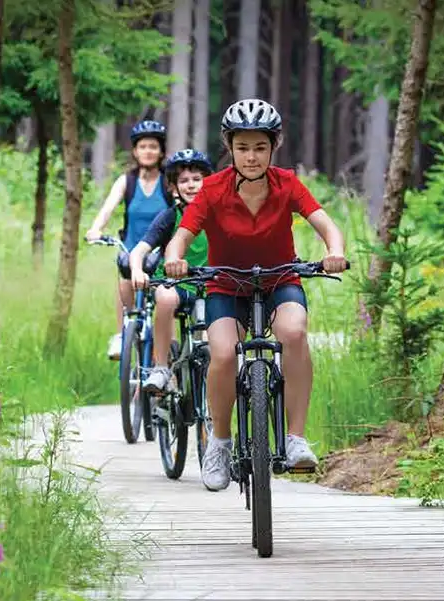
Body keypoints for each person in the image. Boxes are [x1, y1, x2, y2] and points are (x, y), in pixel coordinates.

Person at [162, 99, 348, 492]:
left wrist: (334, 252)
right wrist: (175, 259)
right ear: (229, 147)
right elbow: (181, 237)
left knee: (294, 333)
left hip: (280, 280)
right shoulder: (212, 189)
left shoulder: (287, 183)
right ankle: (220, 442)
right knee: (224, 353)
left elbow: (325, 224)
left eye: (260, 147)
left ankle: (295, 439)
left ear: (273, 147)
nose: (251, 156)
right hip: (225, 285)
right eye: (243, 147)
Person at [128, 149, 214, 395]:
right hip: (176, 286)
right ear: (174, 188)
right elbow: (139, 251)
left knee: (213, 342)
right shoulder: (169, 217)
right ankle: (162, 367)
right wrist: (137, 270)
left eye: (197, 179)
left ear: (208, 183)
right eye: (184, 181)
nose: (191, 185)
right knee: (164, 297)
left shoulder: (219, 215)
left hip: (210, 286)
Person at [85, 120, 172, 361]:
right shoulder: (127, 181)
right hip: (131, 249)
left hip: (160, 254)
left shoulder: (167, 182)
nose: (148, 151)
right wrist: (95, 229)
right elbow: (108, 208)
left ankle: (165, 355)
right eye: (143, 146)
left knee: (164, 303)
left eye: (153, 146)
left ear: (161, 151)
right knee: (124, 275)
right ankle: (122, 333)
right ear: (135, 151)